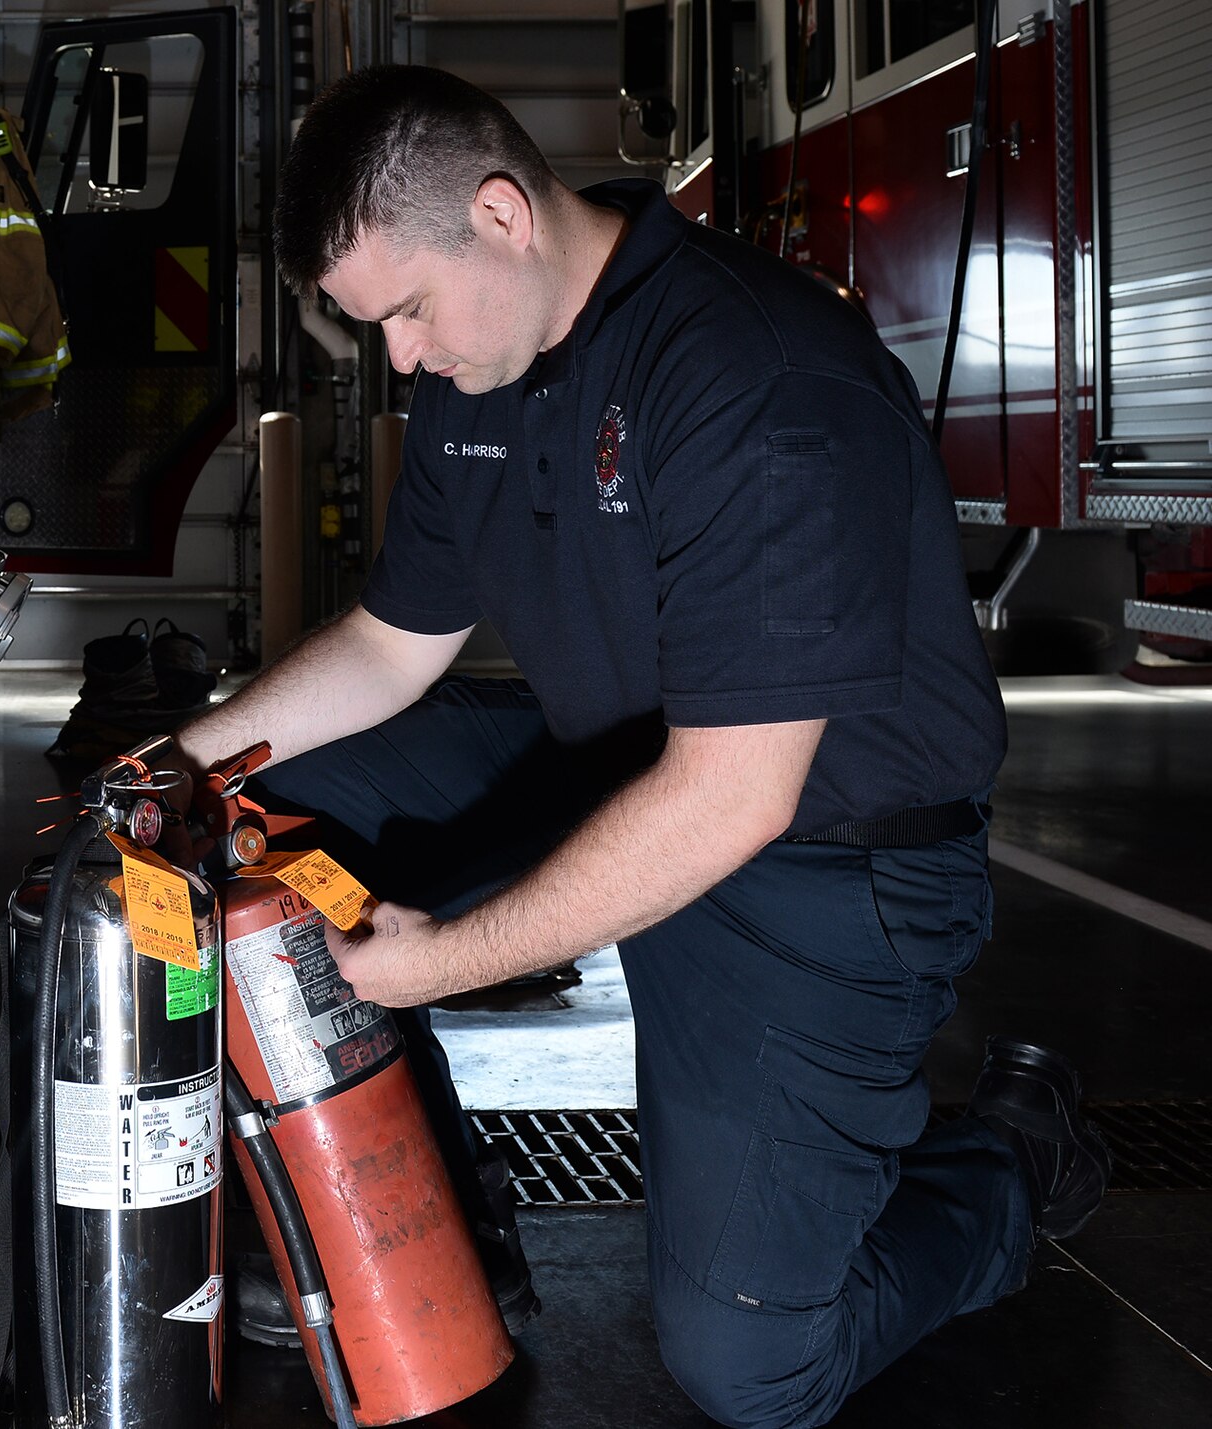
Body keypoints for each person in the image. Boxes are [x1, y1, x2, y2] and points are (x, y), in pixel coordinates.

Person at [177, 65, 1110, 1429]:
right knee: (263, 806)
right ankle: (443, 1219)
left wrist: (443, 959)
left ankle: (1015, 1160)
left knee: (754, 1367)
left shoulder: (754, 377)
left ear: (502, 215)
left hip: (822, 854)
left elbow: (730, 798)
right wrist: (172, 769)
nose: (401, 358)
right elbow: (390, 644)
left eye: (407, 311)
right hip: (622, 757)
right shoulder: (474, 374)